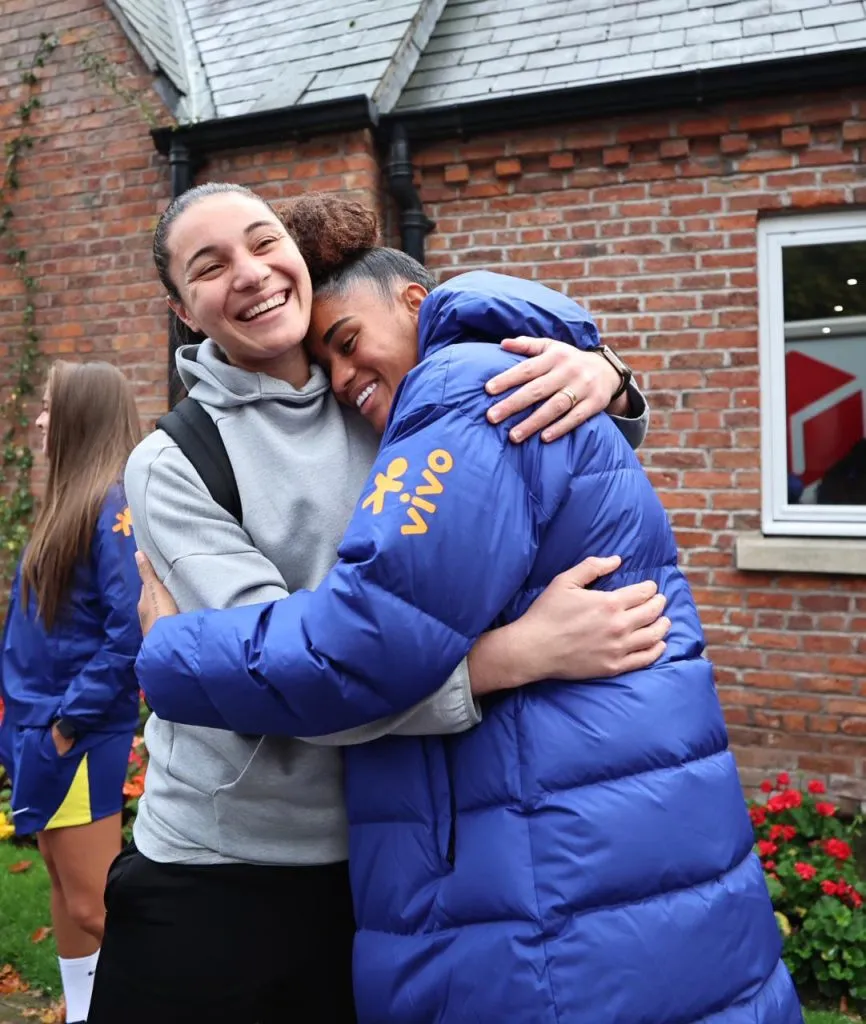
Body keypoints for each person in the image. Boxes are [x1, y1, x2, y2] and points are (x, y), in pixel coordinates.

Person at [136, 194, 802, 1023]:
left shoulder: (449, 392)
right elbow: (338, 669)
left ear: (411, 302)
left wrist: (166, 655)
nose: (345, 379)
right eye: (208, 267)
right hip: (249, 861)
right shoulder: (214, 448)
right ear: (180, 309)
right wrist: (511, 655)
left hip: (533, 838)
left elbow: (356, 651)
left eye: (263, 243)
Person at [0, 361, 141, 1024]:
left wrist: (66, 724)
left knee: (93, 904)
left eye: (51, 406)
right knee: (63, 887)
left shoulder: (114, 503)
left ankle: (191, 997)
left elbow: (128, 634)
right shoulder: (67, 501)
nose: (39, 418)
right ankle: (83, 1011)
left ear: (83, 414)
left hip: (76, 735)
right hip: (39, 728)